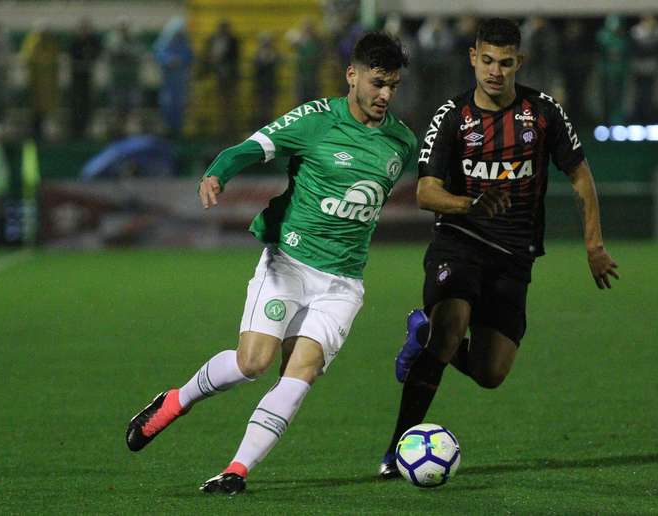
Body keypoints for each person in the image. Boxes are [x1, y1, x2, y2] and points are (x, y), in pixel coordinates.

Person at [125, 32, 420, 497]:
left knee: (300, 372)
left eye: (394, 86)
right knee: (252, 363)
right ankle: (176, 400)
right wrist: (218, 172)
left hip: (342, 284)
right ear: (353, 76)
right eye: (378, 82)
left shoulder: (401, 143)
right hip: (289, 264)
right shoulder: (316, 120)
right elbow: (249, 147)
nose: (385, 95)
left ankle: (236, 471)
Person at [376, 18, 620, 479]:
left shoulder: (543, 112)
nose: (494, 71)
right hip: (459, 242)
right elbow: (426, 192)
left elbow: (581, 177)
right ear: (473, 57)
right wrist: (471, 204)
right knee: (452, 325)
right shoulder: (452, 116)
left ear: (519, 63)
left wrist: (594, 245)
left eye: (505, 63)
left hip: (514, 256)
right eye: (487, 60)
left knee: (490, 373)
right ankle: (396, 450)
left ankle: (420, 334)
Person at [153, 17, 194, 137]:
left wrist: (181, 61)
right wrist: (169, 61)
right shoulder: (165, 42)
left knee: (180, 103)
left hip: (180, 81)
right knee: (167, 102)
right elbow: (159, 55)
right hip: (168, 80)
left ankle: (178, 129)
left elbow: (190, 57)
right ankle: (166, 128)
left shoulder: (184, 42)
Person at [68, 18, 102, 138]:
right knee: (77, 105)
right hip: (77, 79)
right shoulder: (75, 42)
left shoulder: (93, 41)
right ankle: (76, 130)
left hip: (89, 78)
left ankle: (87, 129)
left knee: (89, 104)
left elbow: (98, 52)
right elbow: (72, 55)